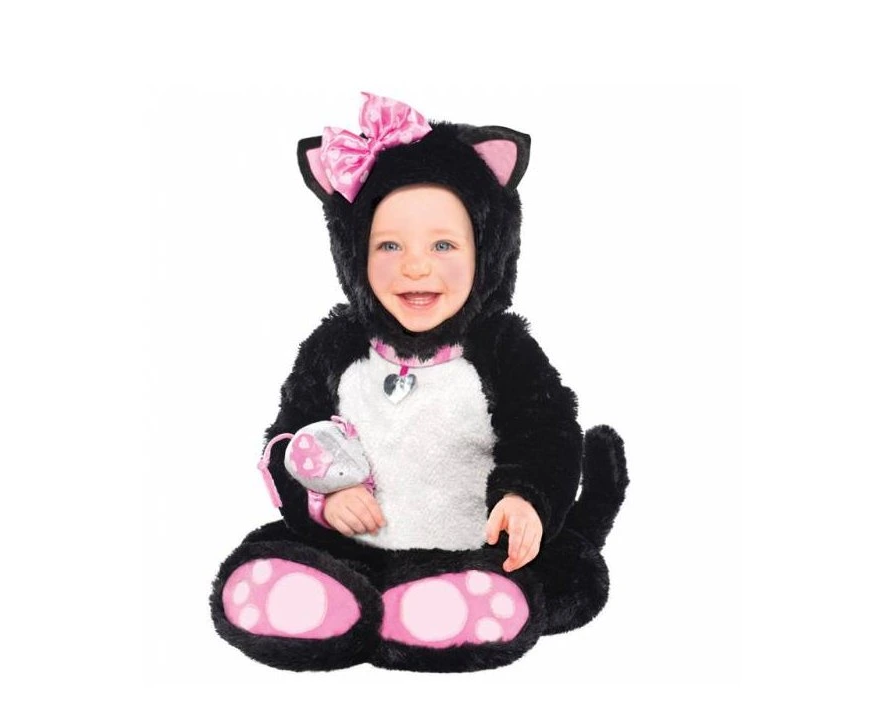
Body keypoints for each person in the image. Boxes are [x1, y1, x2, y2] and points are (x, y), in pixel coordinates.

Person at [210, 93, 628, 673]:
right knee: (272, 545)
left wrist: (525, 499)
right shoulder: (335, 348)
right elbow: (286, 441)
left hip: (472, 550)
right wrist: (325, 500)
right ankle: (333, 602)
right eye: (389, 245)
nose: (415, 265)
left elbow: (546, 434)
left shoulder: (503, 351)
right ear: (354, 252)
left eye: (443, 244)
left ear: (488, 251)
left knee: (559, 574)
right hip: (355, 551)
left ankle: (449, 604)